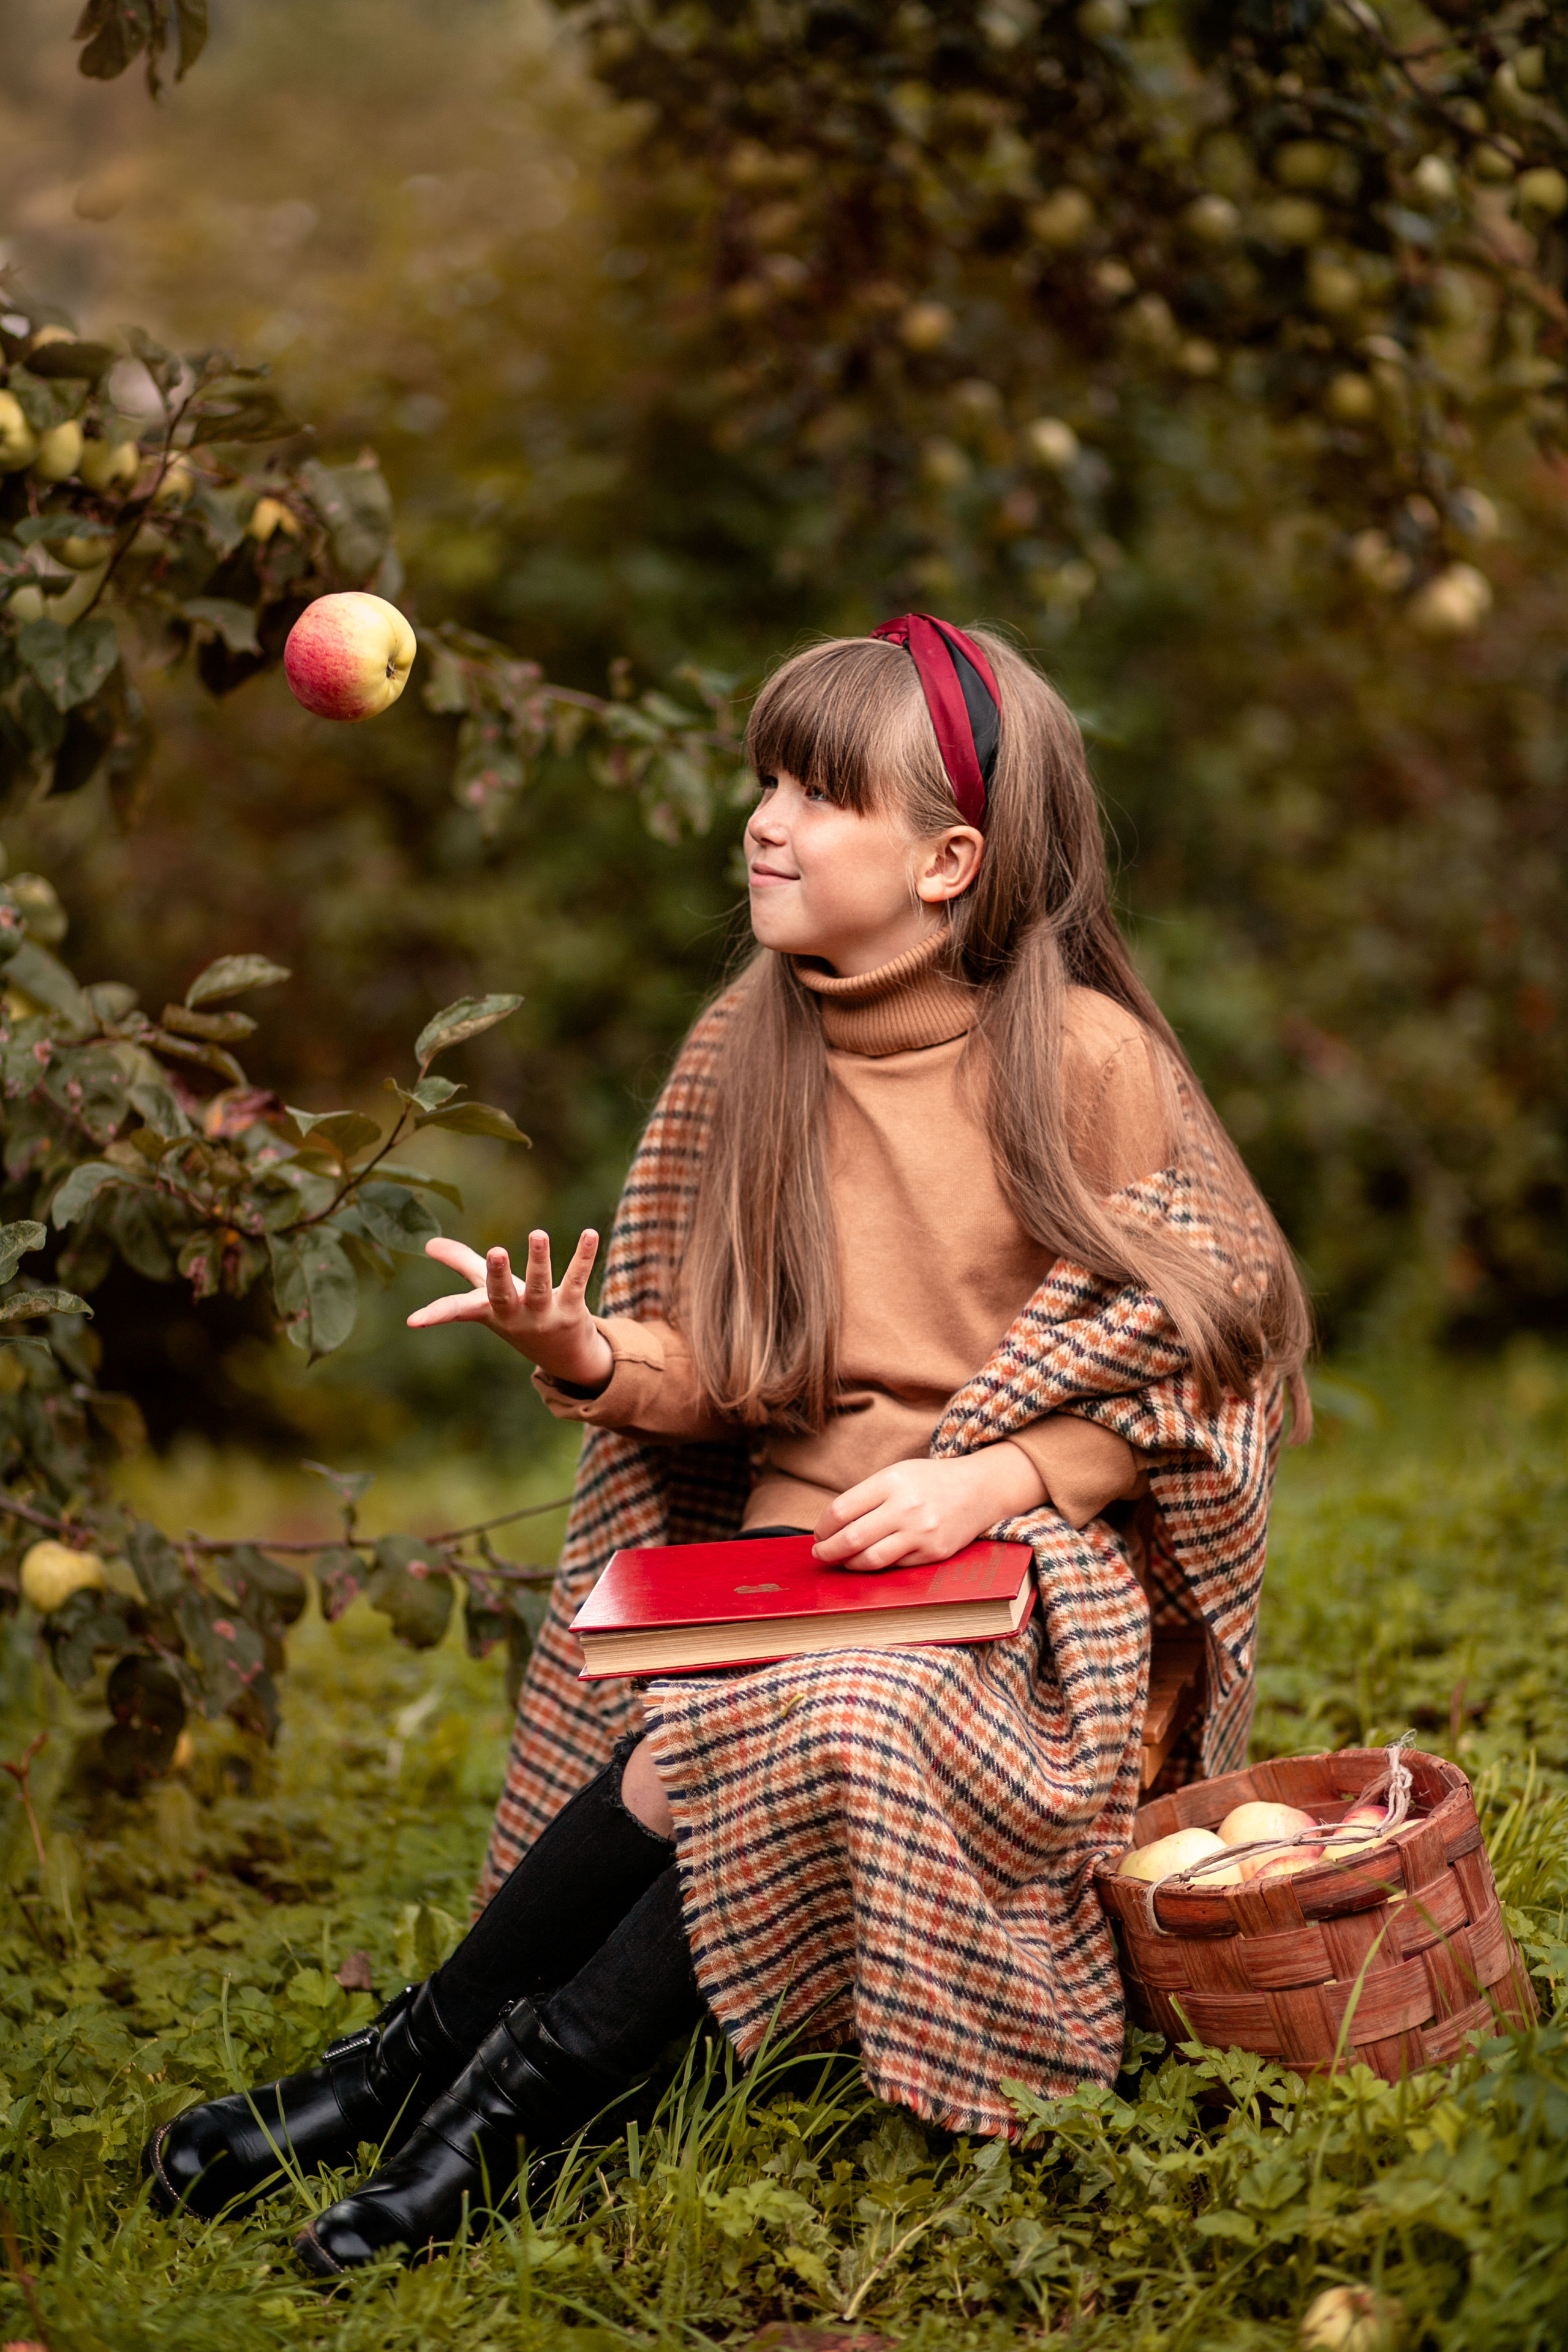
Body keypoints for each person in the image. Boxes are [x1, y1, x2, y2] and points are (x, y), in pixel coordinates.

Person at [143, 617, 1310, 2277]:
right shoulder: (746, 1057)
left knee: (787, 1719)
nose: (767, 819)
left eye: (822, 795)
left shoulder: (1084, 1062)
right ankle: (406, 2078)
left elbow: (1206, 1358)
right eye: (766, 780)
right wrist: (593, 1350)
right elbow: (723, 1372)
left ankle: (487, 2124)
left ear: (945, 861)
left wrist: (1001, 1475)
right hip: (787, 1574)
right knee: (763, 1690)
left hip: (1017, 1594)